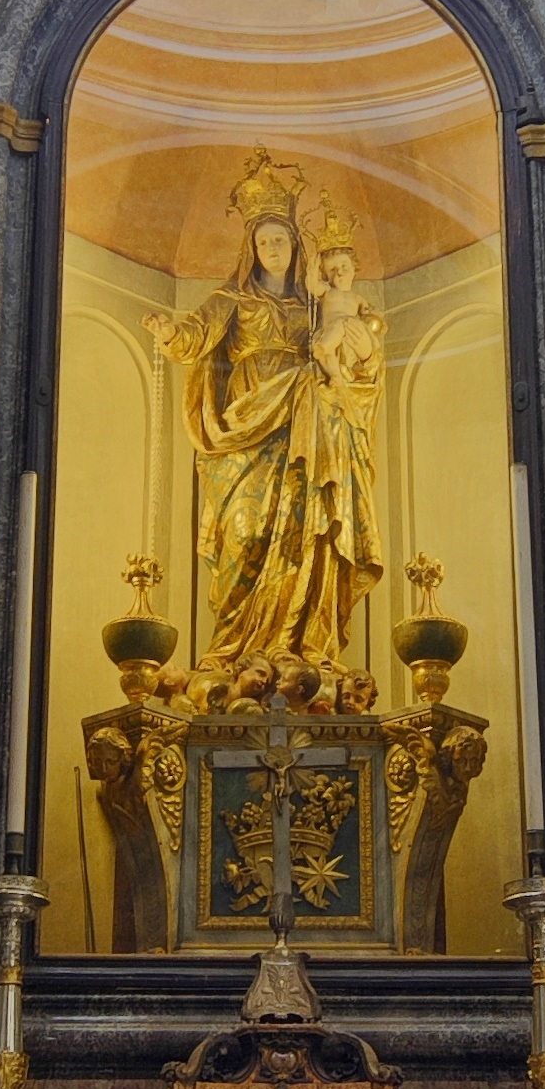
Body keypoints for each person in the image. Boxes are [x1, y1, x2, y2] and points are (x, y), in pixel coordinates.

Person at [149, 158, 385, 697]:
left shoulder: (318, 305)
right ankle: (234, 649)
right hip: (247, 434)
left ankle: (308, 651)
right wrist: (168, 333)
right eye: (264, 242)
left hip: (310, 439)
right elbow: (193, 337)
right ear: (251, 250)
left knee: (313, 537)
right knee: (246, 534)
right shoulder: (231, 301)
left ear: (296, 246)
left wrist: (358, 348)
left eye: (281, 239)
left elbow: (361, 363)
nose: (273, 249)